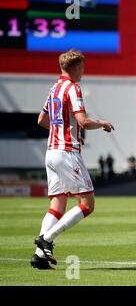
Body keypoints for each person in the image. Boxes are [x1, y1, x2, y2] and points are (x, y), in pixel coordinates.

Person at [31, 49, 114, 269]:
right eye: (82, 67)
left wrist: (62, 131)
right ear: (76, 67)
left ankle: (39, 255)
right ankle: (46, 240)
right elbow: (84, 121)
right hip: (67, 152)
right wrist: (102, 123)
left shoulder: (54, 88)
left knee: (57, 202)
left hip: (51, 152)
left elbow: (41, 119)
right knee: (87, 205)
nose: (83, 71)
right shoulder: (72, 88)